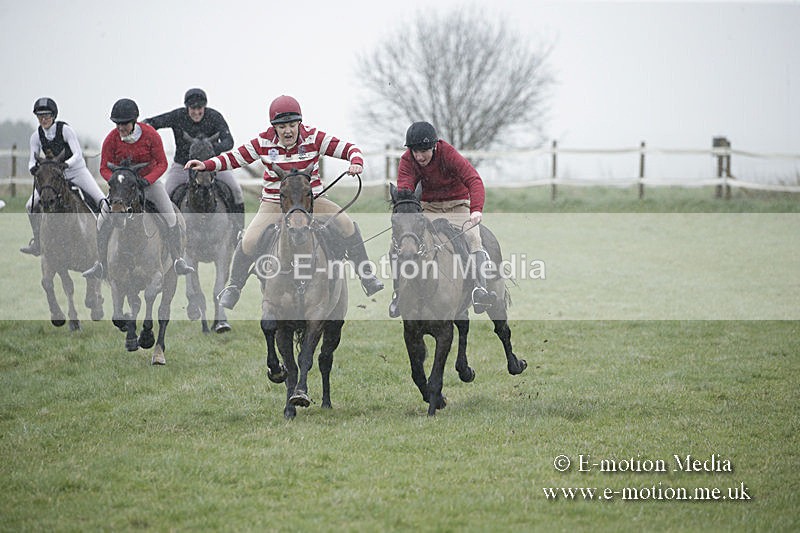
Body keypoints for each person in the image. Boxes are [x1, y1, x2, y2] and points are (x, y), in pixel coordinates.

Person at [185, 94, 384, 309]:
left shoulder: (314, 137)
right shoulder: (263, 141)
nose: (287, 131)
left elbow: (350, 149)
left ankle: (366, 276)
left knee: (346, 224)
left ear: (299, 123)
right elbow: (234, 158)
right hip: (274, 202)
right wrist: (206, 165)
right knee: (248, 240)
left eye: (292, 125)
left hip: (312, 201)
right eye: (282, 127)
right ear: (274, 127)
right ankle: (234, 287)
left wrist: (356, 162)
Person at [389, 121, 497, 318]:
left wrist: (476, 210)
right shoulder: (407, 160)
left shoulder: (448, 154)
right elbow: (405, 190)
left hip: (457, 205)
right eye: (415, 151)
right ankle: (398, 293)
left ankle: (478, 290)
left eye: (424, 151)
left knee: (473, 239)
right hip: (427, 207)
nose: (419, 156)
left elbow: (474, 180)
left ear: (434, 146)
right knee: (397, 244)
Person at [82, 98, 194, 279]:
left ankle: (177, 260)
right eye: (117, 124)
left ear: (134, 121)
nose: (120, 128)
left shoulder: (150, 135)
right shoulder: (111, 139)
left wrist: (147, 180)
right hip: (122, 189)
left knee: (170, 216)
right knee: (102, 220)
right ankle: (101, 264)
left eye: (124, 124)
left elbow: (162, 163)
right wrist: (117, 181)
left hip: (147, 184)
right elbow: (103, 167)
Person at [143, 88, 245, 233]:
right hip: (182, 166)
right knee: (167, 193)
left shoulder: (215, 117)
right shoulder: (178, 116)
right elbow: (155, 122)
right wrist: (142, 126)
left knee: (236, 190)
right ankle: (168, 236)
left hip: (212, 165)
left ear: (205, 107)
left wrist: (210, 149)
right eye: (192, 108)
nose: (196, 112)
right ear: (187, 108)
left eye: (200, 108)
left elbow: (229, 141)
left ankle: (239, 231)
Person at [21, 97, 107, 256]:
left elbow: (77, 154)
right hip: (53, 178)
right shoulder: (36, 136)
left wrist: (66, 165)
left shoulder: (65, 130)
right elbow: (32, 159)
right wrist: (33, 168)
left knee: (102, 201)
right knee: (29, 206)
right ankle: (38, 242)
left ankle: (103, 241)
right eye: (40, 116)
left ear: (53, 116)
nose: (43, 119)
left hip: (76, 171)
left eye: (46, 115)